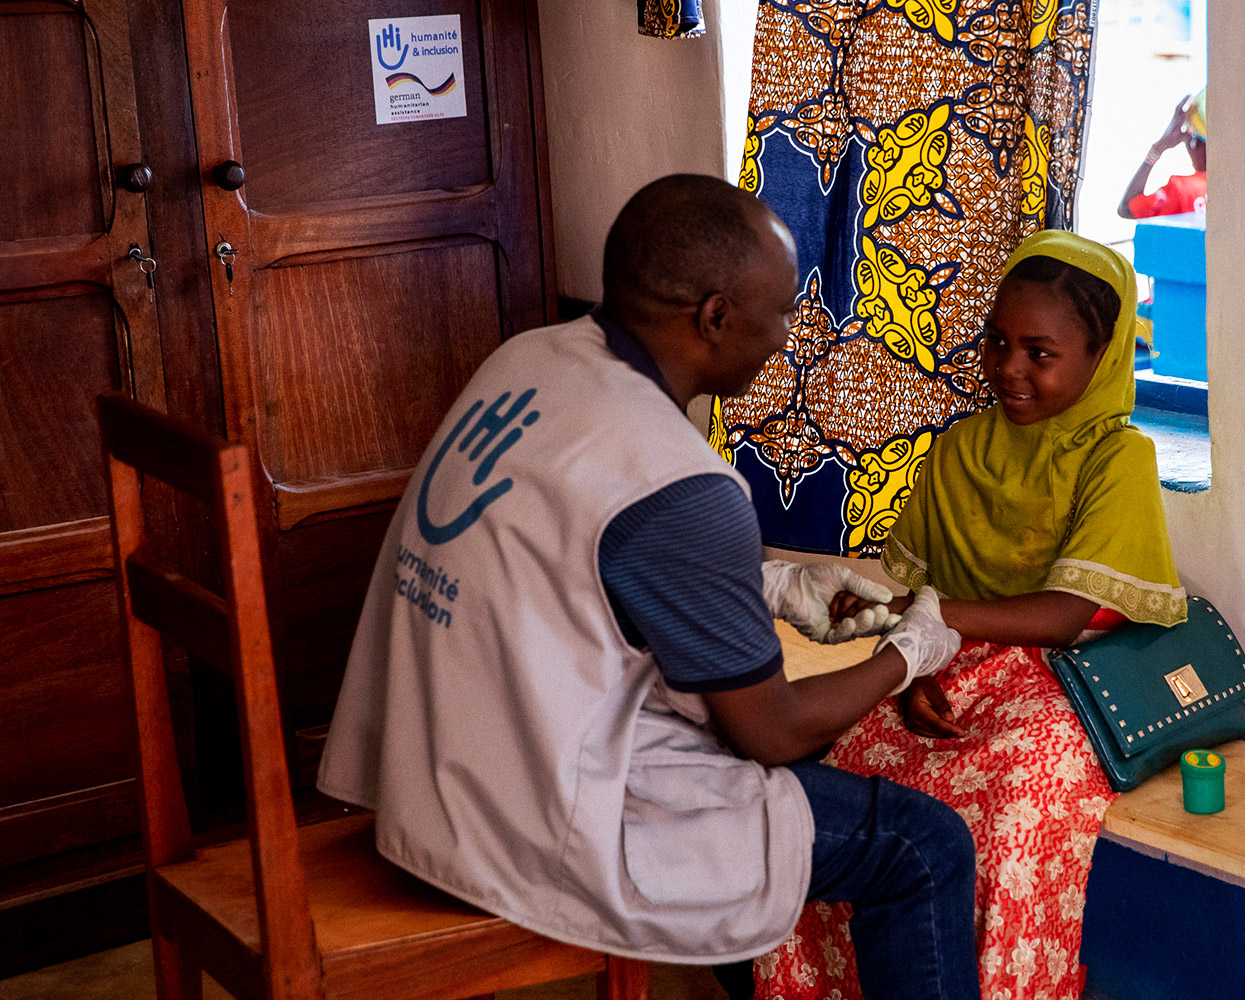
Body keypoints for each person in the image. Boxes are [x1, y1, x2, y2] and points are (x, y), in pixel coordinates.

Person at [316, 174, 981, 1000]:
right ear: (713, 317)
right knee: (922, 846)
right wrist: (907, 654)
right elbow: (769, 733)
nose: (786, 336)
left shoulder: (530, 358)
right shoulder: (682, 486)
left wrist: (765, 585)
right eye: (780, 310)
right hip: (525, 824)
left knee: (754, 784)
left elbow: (572, 563)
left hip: (424, 773)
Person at [753, 230, 1190, 1000]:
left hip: (1065, 682)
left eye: (1039, 352)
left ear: (1101, 359)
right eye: (996, 343)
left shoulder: (1116, 458)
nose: (1009, 370)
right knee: (851, 777)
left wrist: (930, 626)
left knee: (1005, 811)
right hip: (949, 660)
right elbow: (903, 594)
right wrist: (909, 663)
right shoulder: (960, 448)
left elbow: (1062, 617)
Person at [1117, 87, 1207, 220]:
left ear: (1196, 143)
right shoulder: (1241, 186)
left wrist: (1157, 149)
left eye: (1188, 138)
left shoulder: (1183, 190)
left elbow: (1126, 209)